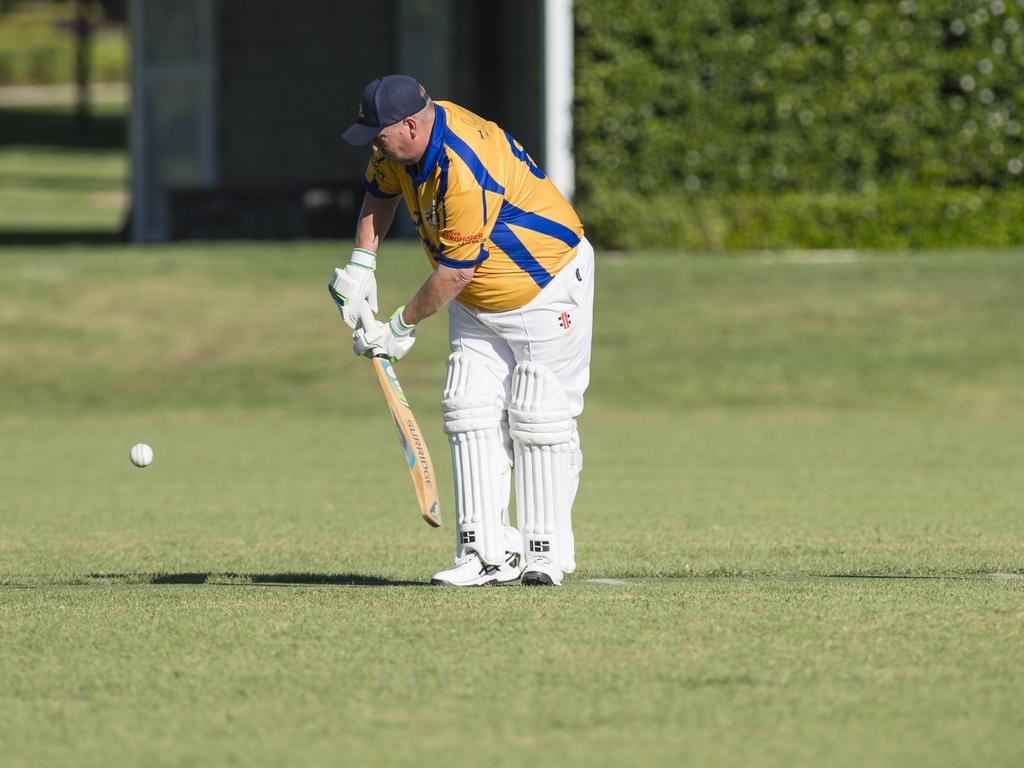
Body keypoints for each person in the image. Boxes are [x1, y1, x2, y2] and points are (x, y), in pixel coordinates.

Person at [328, 74, 594, 587]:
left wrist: (400, 328)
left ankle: (545, 549)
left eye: (380, 136)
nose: (375, 147)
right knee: (469, 406)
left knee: (540, 416)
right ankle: (484, 551)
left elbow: (455, 271)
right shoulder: (399, 146)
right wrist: (362, 264)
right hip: (477, 300)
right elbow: (378, 193)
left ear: (409, 125)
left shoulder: (463, 166)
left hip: (547, 285)